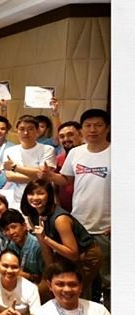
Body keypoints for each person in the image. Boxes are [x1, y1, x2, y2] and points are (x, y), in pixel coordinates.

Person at [45, 109, 111, 303]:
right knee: (81, 279)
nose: (93, 130)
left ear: (107, 128)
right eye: (88, 126)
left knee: (108, 279)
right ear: (82, 130)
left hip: (106, 228)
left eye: (98, 125)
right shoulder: (76, 153)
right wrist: (49, 175)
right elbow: (66, 179)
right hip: (79, 226)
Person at [20, 179, 102, 299]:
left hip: (87, 255)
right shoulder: (33, 215)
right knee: (45, 289)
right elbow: (45, 248)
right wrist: (50, 272)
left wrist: (45, 238)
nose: (35, 198)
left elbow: (73, 254)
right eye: (31, 193)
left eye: (40, 193)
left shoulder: (60, 219)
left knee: (72, 292)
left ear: (49, 195)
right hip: (63, 254)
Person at [3, 115, 56, 209]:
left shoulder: (47, 149)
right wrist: (36, 174)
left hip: (42, 202)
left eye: (30, 129)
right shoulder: (10, 151)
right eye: (22, 129)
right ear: (17, 131)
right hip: (18, 201)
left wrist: (15, 168)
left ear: (37, 131)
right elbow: (10, 177)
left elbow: (44, 176)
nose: (26, 133)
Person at [0, 209, 44, 286]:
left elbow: (46, 277)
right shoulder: (10, 245)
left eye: (14, 227)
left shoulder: (38, 246)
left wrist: (26, 276)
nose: (11, 232)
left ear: (24, 226)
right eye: (7, 229)